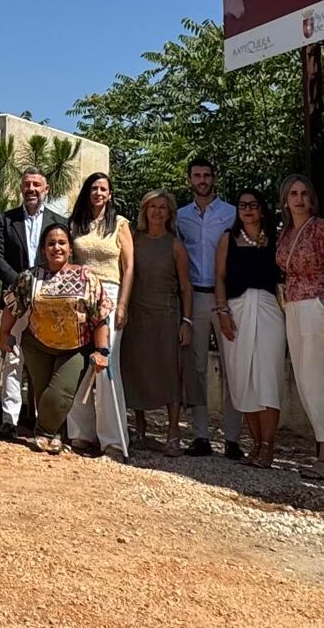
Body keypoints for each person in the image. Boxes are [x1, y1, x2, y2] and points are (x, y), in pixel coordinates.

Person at [0, 224, 114, 455]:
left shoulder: (87, 278)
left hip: (75, 347)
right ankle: (54, 436)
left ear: (70, 248)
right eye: (51, 243)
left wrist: (101, 350)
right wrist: (4, 334)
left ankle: (44, 432)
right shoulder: (29, 277)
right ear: (43, 249)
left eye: (61, 243)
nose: (56, 248)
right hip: (38, 345)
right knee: (43, 395)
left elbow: (100, 316)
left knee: (59, 394)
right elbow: (12, 306)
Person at [276, 173, 324, 479]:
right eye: (293, 193)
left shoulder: (322, 228)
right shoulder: (286, 231)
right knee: (304, 379)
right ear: (286, 199)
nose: (299, 199)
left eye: (304, 193)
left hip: (318, 303)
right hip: (292, 305)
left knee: (319, 377)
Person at [0, 167, 65, 433]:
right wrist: (21, 283)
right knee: (12, 357)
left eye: (37, 185)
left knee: (43, 359)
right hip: (16, 296)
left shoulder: (58, 221)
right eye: (27, 185)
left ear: (46, 190)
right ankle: (10, 419)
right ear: (21, 188)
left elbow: (63, 258)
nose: (31, 189)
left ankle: (42, 421)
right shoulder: (5, 219)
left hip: (48, 300)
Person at [177, 157, 243, 458]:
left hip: (227, 298)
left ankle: (232, 439)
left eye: (206, 175)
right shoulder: (179, 217)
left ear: (214, 178)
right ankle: (200, 436)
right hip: (195, 297)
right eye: (197, 175)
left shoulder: (232, 213)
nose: (202, 180)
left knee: (233, 368)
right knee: (197, 368)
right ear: (190, 179)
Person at [213, 188, 283, 468]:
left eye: (253, 205)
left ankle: (268, 447)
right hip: (236, 312)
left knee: (267, 379)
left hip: (269, 312)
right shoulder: (228, 239)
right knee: (243, 381)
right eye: (242, 205)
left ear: (262, 209)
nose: (248, 210)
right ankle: (255, 445)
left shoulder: (276, 238)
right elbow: (219, 277)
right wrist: (222, 312)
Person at [66, 173, 133, 458]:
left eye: (103, 188)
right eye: (93, 188)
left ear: (110, 193)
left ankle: (114, 440)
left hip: (110, 293)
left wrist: (123, 305)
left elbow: (129, 266)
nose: (98, 192)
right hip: (81, 294)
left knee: (107, 365)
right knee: (80, 361)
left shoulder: (119, 224)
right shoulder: (76, 223)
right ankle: (81, 433)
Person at [125, 189, 195, 456]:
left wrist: (186, 320)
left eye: (163, 207)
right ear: (145, 210)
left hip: (166, 315)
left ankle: (173, 432)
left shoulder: (175, 245)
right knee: (137, 369)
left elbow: (186, 287)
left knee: (169, 374)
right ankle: (139, 427)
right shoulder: (134, 240)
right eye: (152, 206)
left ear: (170, 213)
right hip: (137, 315)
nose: (157, 212)